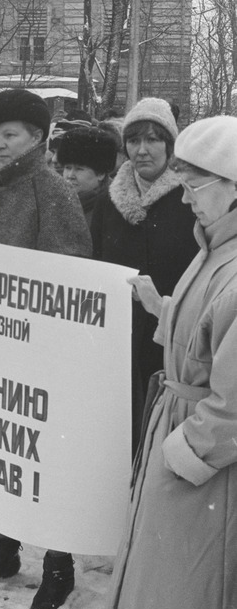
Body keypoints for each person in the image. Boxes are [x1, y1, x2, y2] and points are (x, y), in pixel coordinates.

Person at [96, 115, 237, 609]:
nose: (187, 201)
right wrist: (164, 310)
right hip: (183, 437)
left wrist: (184, 452)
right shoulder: (215, 252)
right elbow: (206, 336)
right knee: (175, 591)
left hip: (210, 470)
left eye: (197, 186)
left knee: (196, 599)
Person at [0, 88, 92, 609]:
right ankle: (2, 551)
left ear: (37, 136)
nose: (1, 143)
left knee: (45, 457)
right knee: (0, 452)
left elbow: (71, 268)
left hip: (38, 349)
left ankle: (59, 565)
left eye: (11, 134)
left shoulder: (52, 189)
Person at [90, 97, 198, 456]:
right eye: (134, 140)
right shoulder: (109, 201)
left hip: (174, 334)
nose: (142, 149)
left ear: (170, 144)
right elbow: (95, 260)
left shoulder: (190, 199)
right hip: (120, 335)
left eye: (153, 139)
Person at [57, 126, 118, 224]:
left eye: (79, 169)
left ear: (100, 173)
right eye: (68, 168)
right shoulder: (53, 201)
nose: (70, 175)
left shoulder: (113, 209)